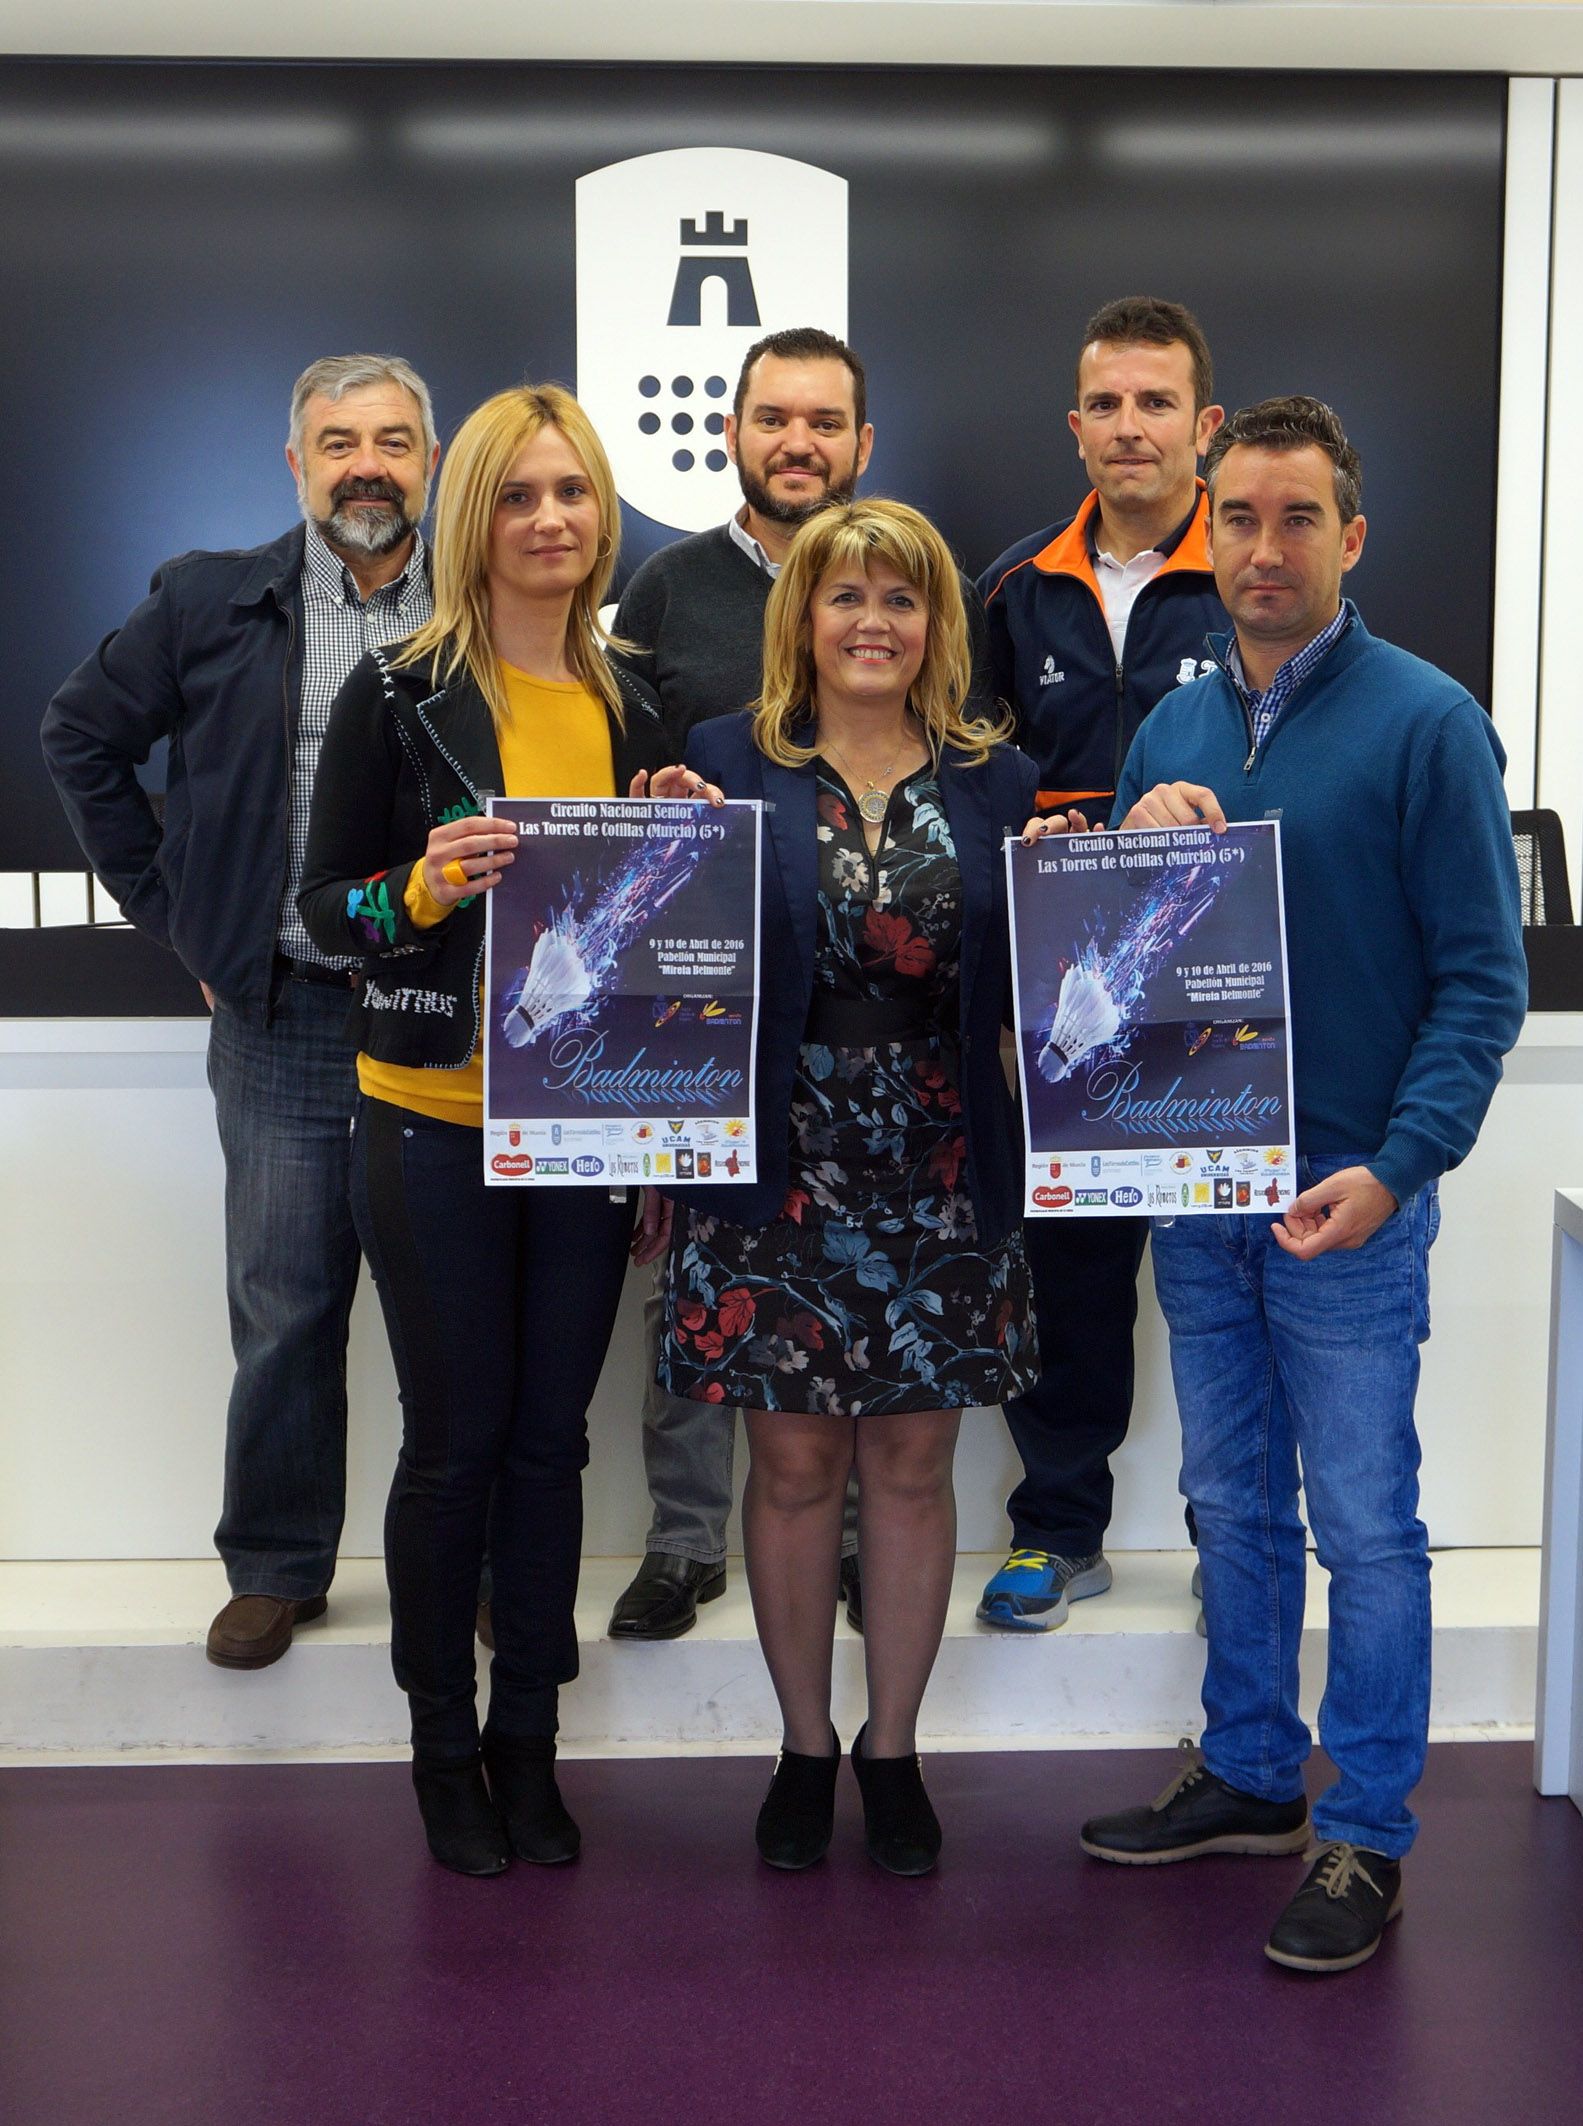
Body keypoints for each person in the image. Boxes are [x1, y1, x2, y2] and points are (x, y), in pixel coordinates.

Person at [1068, 397, 1526, 1972]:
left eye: (1297, 520)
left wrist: (1398, 1171)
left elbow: (1482, 985)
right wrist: (1133, 841)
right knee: (1227, 1504)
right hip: (1197, 1193)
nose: (1264, 550)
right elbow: (1116, 963)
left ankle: (1368, 1833)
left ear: (1353, 535)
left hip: (1347, 1209)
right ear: (1211, 528)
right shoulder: (1175, 728)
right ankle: (1255, 1768)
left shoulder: (1427, 721)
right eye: (1240, 521)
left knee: (1369, 1525)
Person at [297, 383, 714, 1876]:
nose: (552, 520)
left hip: (592, 1131)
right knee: (455, 1441)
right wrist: (413, 890)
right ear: (475, 514)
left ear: (605, 517)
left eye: (576, 494)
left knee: (552, 1444)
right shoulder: (399, 691)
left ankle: (531, 1736)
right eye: (524, 494)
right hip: (430, 1117)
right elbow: (319, 911)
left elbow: (669, 936)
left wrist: (678, 821)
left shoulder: (641, 699)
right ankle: (440, 1747)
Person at [658, 499, 1041, 1877]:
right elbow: (675, 965)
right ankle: (803, 1743)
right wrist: (659, 847)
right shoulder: (719, 761)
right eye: (846, 596)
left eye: (901, 598)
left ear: (935, 624)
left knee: (915, 1461)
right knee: (795, 1458)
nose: (873, 621)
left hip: (944, 1152)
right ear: (801, 618)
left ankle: (894, 1748)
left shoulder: (998, 777)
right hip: (781, 1155)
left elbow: (1038, 981)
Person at [41, 354, 440, 1670]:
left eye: (392, 438)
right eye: (339, 442)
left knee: (459, 1309)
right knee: (285, 1304)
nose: (366, 463)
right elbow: (81, 736)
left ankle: (472, 1563)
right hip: (287, 1018)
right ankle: (275, 1565)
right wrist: (177, 914)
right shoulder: (212, 598)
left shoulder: (490, 601)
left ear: (431, 457)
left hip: (450, 1016)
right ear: (296, 463)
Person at [607, 327, 875, 1640]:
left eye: (824, 421)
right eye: (774, 417)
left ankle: (858, 1545)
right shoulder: (663, 591)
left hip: (873, 1011)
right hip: (712, 1003)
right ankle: (685, 1534)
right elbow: (638, 830)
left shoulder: (898, 577)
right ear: (732, 434)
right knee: (701, 1270)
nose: (798, 442)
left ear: (861, 444)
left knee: (867, 1274)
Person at [975, 297, 1227, 1633]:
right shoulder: (1016, 587)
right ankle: (1059, 1526)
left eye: (1157, 402)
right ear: (1076, 426)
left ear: (1207, 423)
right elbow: (974, 786)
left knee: (1221, 1276)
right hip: (1064, 1005)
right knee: (1064, 1274)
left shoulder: (1250, 573)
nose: (1131, 427)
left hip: (1218, 1002)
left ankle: (1227, 1533)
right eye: (1108, 405)